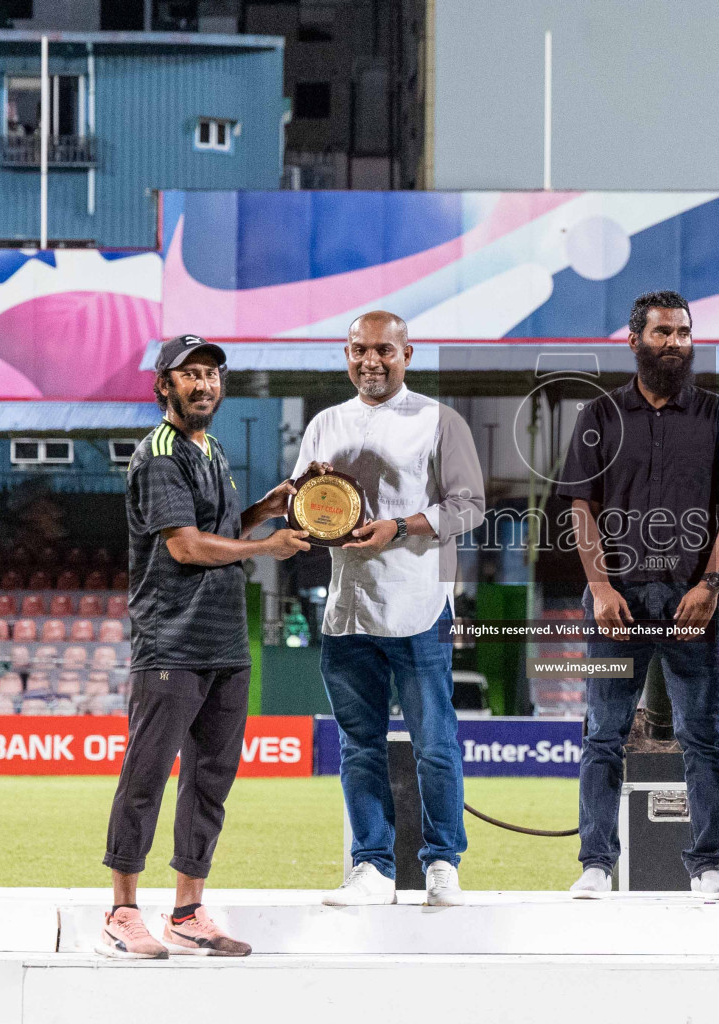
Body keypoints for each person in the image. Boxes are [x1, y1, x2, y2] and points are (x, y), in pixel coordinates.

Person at [99, 335, 311, 959]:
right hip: (171, 642)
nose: (204, 384)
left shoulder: (209, 447)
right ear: (163, 385)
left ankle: (187, 911)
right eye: (189, 374)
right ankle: (121, 910)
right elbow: (186, 547)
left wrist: (264, 513)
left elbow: (218, 531)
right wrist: (267, 548)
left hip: (223, 642)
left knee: (210, 780)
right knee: (145, 777)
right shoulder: (161, 455)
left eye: (212, 374)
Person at [558, 290, 719, 898]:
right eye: (664, 332)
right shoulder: (599, 416)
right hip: (618, 600)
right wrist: (598, 585)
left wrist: (711, 584)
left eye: (684, 332)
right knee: (604, 734)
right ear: (635, 339)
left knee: (702, 735)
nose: (676, 343)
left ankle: (707, 866)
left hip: (691, 600)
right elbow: (580, 505)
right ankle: (596, 863)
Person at [296, 311, 486, 908]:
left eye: (383, 350)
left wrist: (399, 526)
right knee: (359, 746)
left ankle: (442, 864)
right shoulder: (325, 424)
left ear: (408, 354)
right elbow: (305, 509)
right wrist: (312, 500)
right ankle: (371, 867)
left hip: (419, 604)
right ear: (345, 354)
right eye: (359, 351)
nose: (370, 362)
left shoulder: (439, 419)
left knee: (435, 743)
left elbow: (471, 507)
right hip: (348, 609)